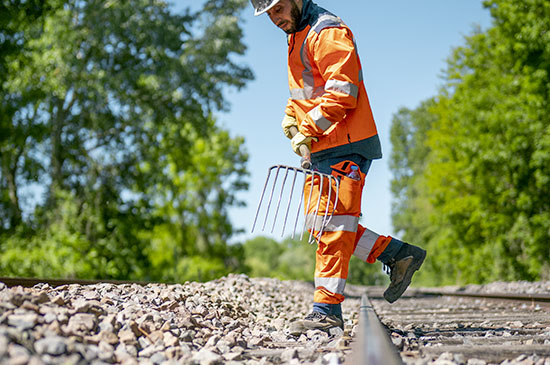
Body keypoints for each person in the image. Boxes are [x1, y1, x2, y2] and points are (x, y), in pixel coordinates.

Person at [250, 0, 427, 334]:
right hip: (322, 147)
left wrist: (308, 128)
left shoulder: (327, 31)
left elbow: (343, 93)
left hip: (344, 143)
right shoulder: (297, 34)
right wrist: (292, 114)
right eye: (270, 13)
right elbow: (307, 90)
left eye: (279, 8)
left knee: (333, 227)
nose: (275, 18)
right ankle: (398, 254)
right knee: (322, 226)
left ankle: (327, 310)